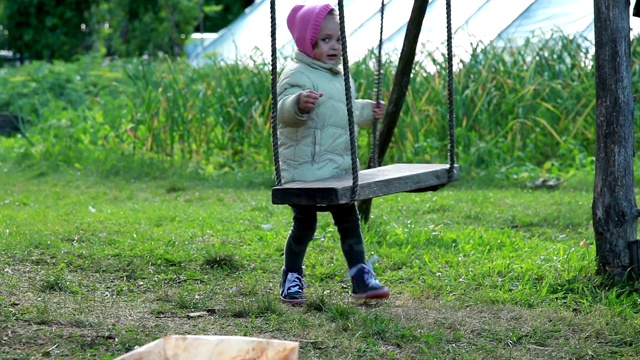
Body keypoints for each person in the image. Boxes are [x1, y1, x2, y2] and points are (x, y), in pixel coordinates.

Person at [276, 3, 390, 304]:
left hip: (338, 169)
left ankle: (360, 277)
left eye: (338, 39)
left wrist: (368, 110)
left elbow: (344, 111)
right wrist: (298, 103)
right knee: (305, 225)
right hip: (305, 172)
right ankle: (291, 275)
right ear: (307, 42)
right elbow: (282, 112)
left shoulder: (341, 77)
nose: (335, 46)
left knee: (348, 219)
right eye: (325, 40)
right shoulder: (296, 75)